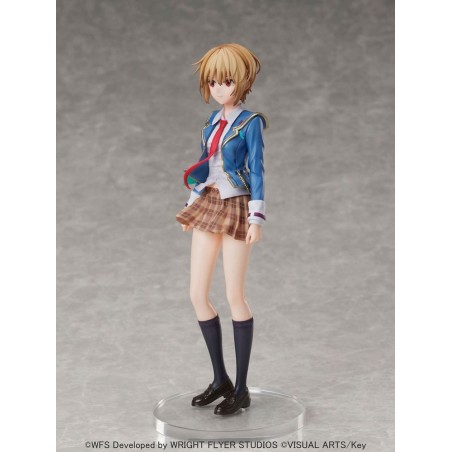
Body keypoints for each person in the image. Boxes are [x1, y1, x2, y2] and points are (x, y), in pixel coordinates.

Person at [176, 43, 268, 415]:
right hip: (209, 202)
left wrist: (256, 217)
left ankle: (241, 389)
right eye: (212, 81)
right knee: (197, 294)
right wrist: (192, 201)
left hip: (237, 205)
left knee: (234, 296)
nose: (218, 88)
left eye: (226, 81)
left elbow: (257, 170)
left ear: (241, 81)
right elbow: (206, 164)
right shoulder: (211, 123)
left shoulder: (250, 122)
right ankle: (220, 380)